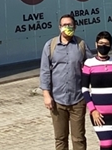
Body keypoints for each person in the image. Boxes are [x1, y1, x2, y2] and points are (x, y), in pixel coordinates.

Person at [40, 14, 93, 150]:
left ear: (74, 27)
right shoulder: (50, 46)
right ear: (59, 27)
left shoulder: (81, 44)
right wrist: (46, 95)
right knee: (60, 138)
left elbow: (91, 65)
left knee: (79, 138)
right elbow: (45, 71)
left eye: (70, 25)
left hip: (78, 100)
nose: (67, 27)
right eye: (64, 25)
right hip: (57, 101)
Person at [82, 31, 112, 150]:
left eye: (106, 44)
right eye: (101, 43)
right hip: (99, 113)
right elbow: (84, 89)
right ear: (96, 44)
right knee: (106, 145)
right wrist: (92, 110)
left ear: (110, 45)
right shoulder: (89, 63)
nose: (103, 46)